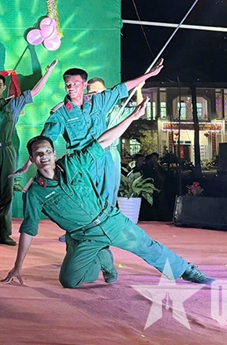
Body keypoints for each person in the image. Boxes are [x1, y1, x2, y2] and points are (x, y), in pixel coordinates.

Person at [1, 100, 215, 289]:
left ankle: (187, 270)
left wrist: (132, 117)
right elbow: (28, 229)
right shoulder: (35, 193)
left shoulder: (73, 163)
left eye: (48, 151)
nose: (44, 156)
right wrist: (18, 266)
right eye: (38, 153)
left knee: (148, 247)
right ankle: (104, 259)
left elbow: (103, 141)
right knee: (69, 281)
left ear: (54, 153)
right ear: (32, 159)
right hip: (85, 236)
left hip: (111, 221)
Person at [42, 60, 164, 242]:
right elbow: (44, 140)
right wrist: (34, 163)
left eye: (75, 83)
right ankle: (76, 235)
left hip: (105, 157)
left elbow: (121, 89)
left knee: (107, 197)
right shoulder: (61, 113)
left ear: (84, 85)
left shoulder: (100, 103)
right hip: (82, 162)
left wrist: (149, 75)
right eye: (68, 84)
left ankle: (103, 235)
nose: (71, 87)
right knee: (82, 200)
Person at [0, 61, 57, 246]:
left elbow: (35, 91)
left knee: (7, 191)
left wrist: (48, 72)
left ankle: (5, 234)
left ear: (4, 87)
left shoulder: (14, 104)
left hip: (8, 150)